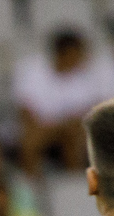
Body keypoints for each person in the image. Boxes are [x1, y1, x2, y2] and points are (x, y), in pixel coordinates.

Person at [13, 28, 101, 176]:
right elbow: (26, 115)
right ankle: (31, 188)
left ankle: (72, 190)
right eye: (77, 55)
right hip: (35, 130)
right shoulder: (31, 70)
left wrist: (61, 127)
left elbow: (84, 116)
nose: (81, 59)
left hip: (64, 132)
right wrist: (57, 127)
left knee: (75, 137)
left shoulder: (83, 78)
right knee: (30, 141)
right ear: (64, 53)